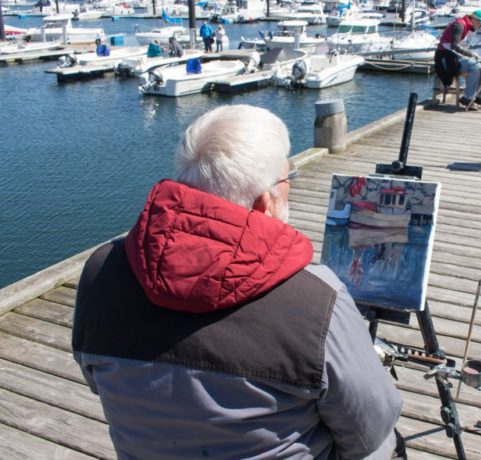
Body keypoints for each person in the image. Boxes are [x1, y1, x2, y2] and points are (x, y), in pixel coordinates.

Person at [72, 105, 404, 459]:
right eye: (287, 179)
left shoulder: (99, 272)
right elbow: (371, 427)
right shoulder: (317, 300)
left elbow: (97, 382)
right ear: (264, 203)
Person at [434, 9, 481, 111]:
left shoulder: (468, 27)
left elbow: (462, 47)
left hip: (454, 56)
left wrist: (473, 56)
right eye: (480, 24)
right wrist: (471, 55)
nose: (479, 27)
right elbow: (454, 45)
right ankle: (468, 98)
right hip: (446, 57)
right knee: (475, 66)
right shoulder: (460, 25)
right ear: (475, 20)